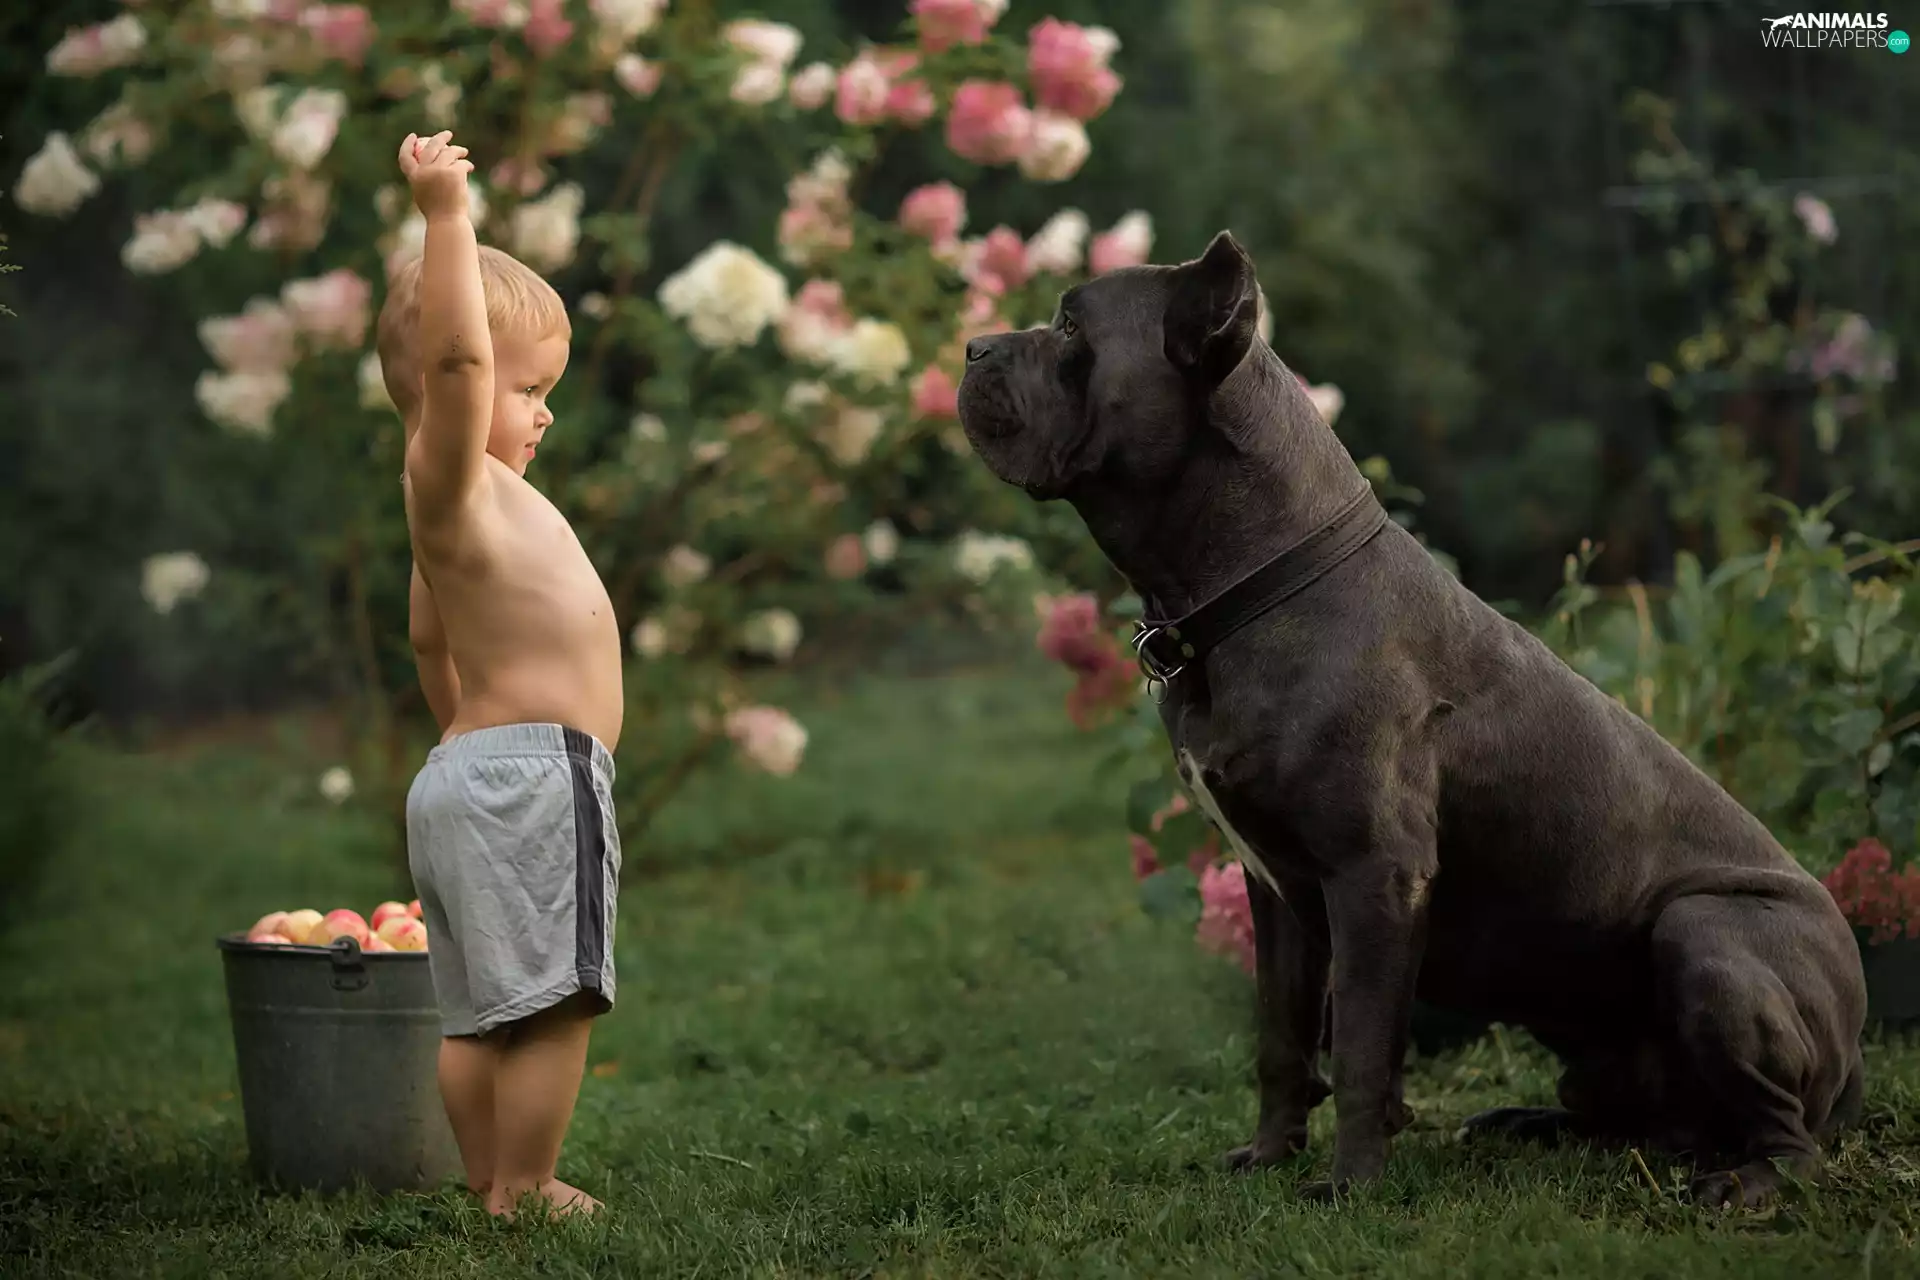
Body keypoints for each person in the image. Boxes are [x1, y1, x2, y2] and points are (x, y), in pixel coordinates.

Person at [374, 128, 624, 1219]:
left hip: (466, 773)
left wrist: (464, 747)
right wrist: (443, 216)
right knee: (558, 1002)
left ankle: (486, 1178)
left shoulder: (452, 529)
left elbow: (432, 641)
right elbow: (460, 364)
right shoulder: (454, 473)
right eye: (530, 387)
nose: (542, 408)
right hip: (531, 775)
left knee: (478, 1012)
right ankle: (525, 1182)